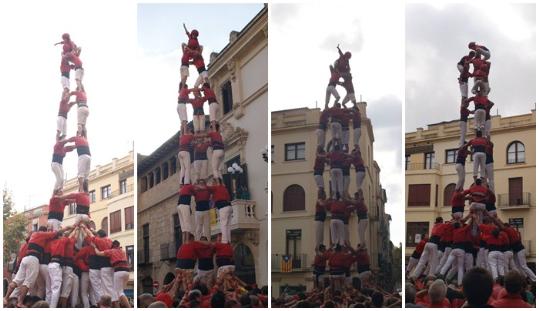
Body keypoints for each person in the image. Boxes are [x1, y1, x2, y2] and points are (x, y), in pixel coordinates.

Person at [94, 240, 131, 307]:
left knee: (118, 293)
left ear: (113, 245)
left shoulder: (111, 251)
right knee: (121, 291)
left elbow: (98, 253)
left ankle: (126, 307)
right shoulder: (123, 251)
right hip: (127, 272)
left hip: (119, 271)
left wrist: (94, 247)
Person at [82, 225, 113, 303]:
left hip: (102, 267)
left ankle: (104, 305)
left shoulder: (98, 241)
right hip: (110, 266)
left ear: (98, 236)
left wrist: (84, 227)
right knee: (107, 287)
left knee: (98, 288)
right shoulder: (110, 240)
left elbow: (89, 235)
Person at [439, 214, 473, 286]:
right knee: (460, 267)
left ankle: (441, 275)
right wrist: (472, 217)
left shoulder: (454, 230)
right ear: (460, 226)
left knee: (447, 263)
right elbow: (469, 225)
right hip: (461, 250)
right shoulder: (463, 230)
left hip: (453, 249)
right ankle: (460, 283)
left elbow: (452, 223)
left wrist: (454, 218)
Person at [208, 178, 233, 243]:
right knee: (228, 226)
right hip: (229, 207)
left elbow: (207, 188)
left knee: (223, 225)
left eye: (213, 182)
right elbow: (228, 198)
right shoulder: (224, 188)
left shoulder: (215, 188)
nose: (212, 184)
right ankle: (228, 241)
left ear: (216, 182)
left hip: (223, 207)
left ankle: (224, 242)